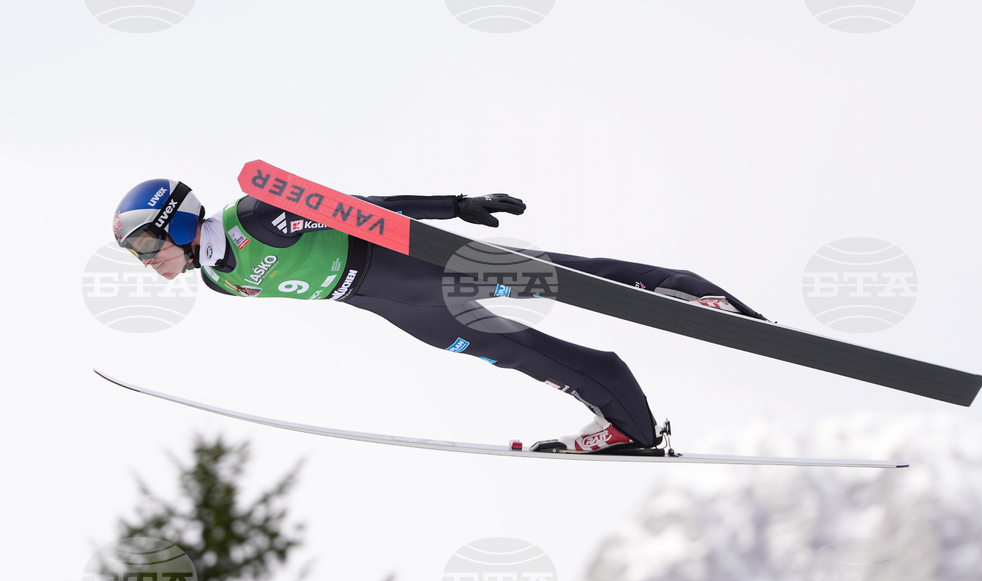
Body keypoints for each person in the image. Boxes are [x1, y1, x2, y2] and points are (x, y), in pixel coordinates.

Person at [113, 179, 766, 455]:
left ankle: (687, 293)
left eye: (144, 243)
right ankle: (632, 427)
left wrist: (454, 205)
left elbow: (359, 207)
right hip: (393, 306)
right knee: (522, 353)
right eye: (134, 253)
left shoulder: (256, 216)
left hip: (415, 264)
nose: (145, 260)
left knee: (558, 276)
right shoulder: (222, 282)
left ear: (176, 220)